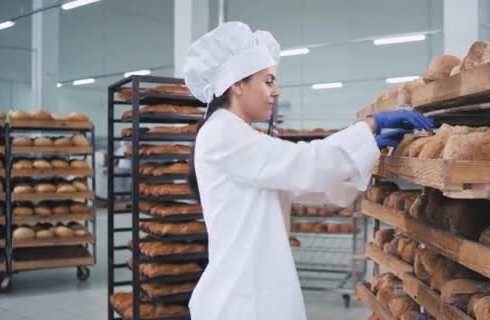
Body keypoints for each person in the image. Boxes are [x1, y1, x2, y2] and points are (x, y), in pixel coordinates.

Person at [183, 21, 433, 320]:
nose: (275, 92)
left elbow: (304, 184)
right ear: (237, 84)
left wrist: (367, 149)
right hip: (240, 298)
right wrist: (370, 127)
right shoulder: (222, 133)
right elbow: (304, 162)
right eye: (268, 81)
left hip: (257, 285)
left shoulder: (240, 135)